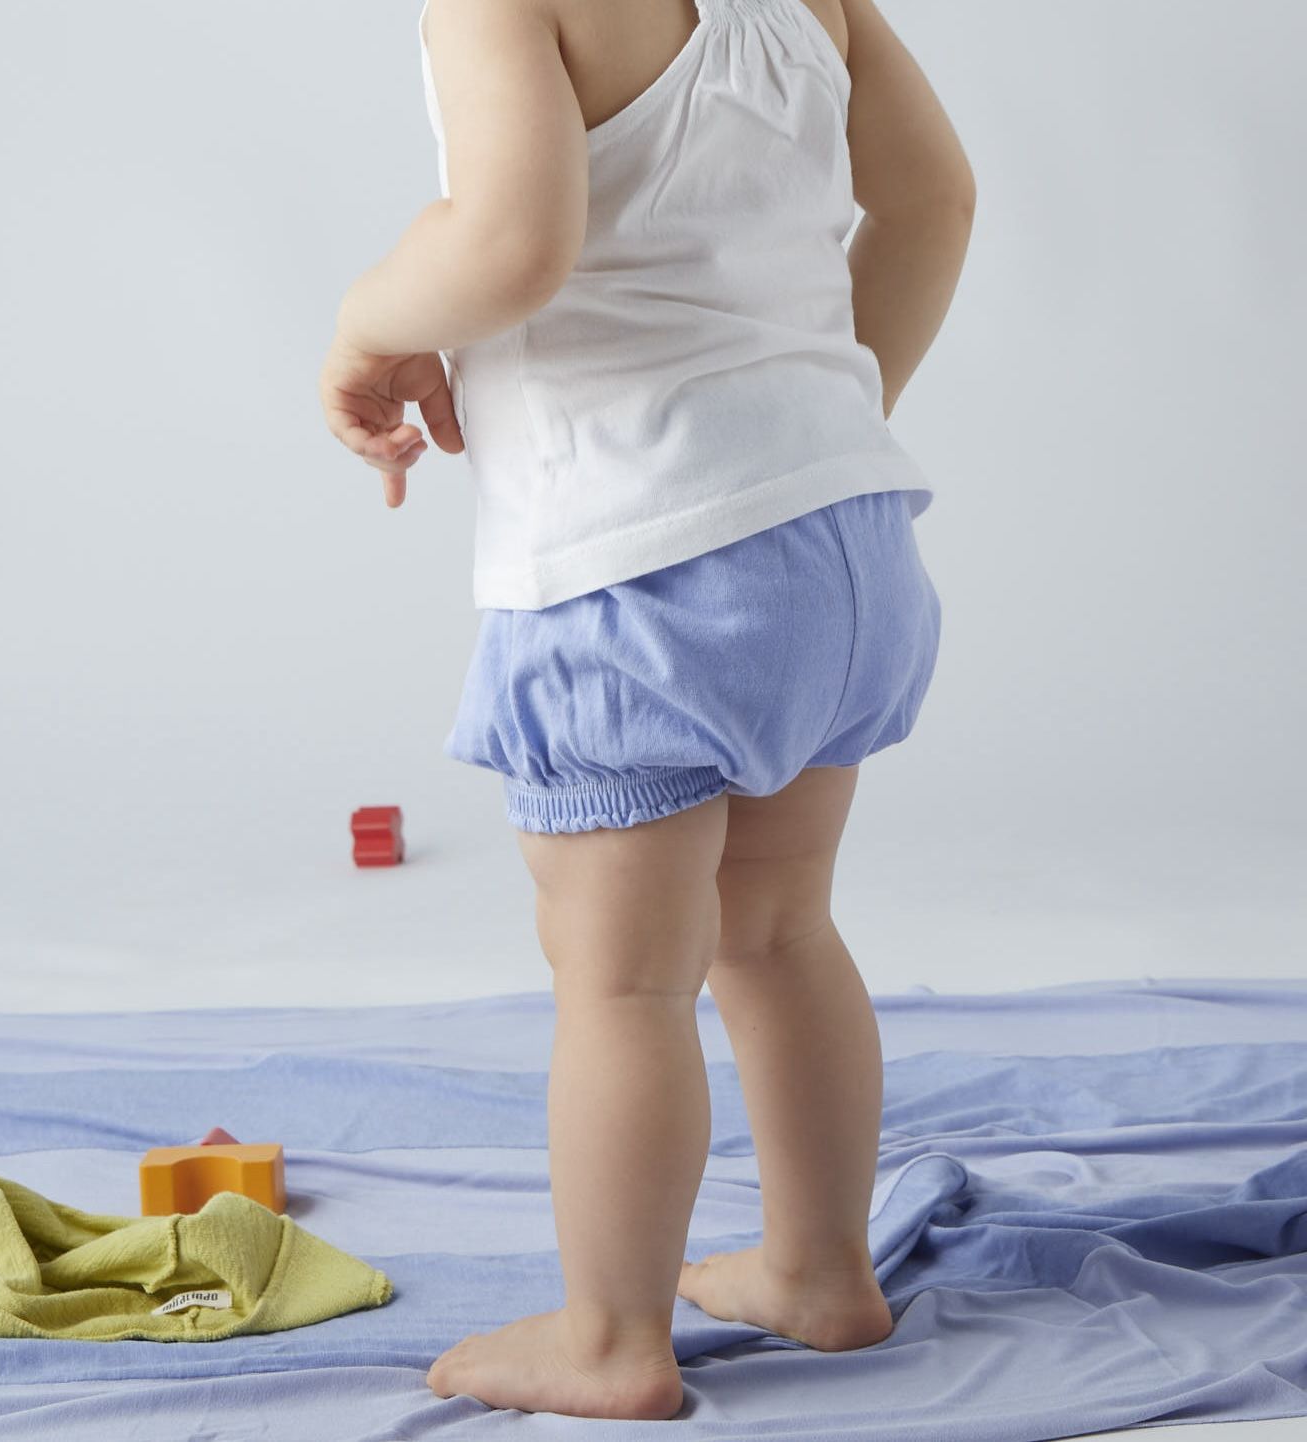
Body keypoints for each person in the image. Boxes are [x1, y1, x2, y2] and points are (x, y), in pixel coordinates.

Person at [319, 0, 973, 1420]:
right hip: (845, 535)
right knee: (779, 929)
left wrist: (370, 315)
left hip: (640, 567)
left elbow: (512, 244)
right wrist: (805, 428)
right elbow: (935, 196)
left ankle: (612, 1337)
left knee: (621, 982)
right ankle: (818, 1267)